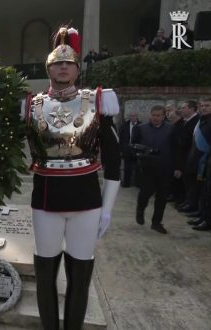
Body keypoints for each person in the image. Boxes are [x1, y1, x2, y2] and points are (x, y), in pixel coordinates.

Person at [24, 26, 121, 330]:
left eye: (69, 63)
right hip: (45, 200)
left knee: (80, 278)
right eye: (57, 62)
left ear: (77, 68)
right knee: (44, 277)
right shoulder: (31, 105)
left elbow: (115, 161)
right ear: (48, 68)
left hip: (86, 202)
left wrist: (106, 208)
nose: (63, 66)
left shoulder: (97, 101)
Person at [132, 105, 178, 234]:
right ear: (150, 115)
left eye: (159, 116)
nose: (156, 118)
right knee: (144, 194)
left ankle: (156, 223)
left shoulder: (171, 129)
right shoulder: (141, 128)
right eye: (154, 115)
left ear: (164, 116)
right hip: (147, 168)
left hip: (165, 168)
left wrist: (177, 167)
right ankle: (140, 210)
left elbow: (176, 148)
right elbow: (133, 145)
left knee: (162, 198)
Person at [187, 98, 211, 230]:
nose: (203, 108)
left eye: (207, 105)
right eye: (201, 106)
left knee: (208, 193)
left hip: (207, 161)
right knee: (203, 192)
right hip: (201, 161)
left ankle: (207, 220)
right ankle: (203, 216)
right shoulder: (202, 121)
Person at [176, 101, 201, 213]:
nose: (181, 110)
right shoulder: (185, 121)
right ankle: (188, 201)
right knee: (187, 182)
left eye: (183, 108)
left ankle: (192, 205)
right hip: (184, 157)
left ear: (191, 109)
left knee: (192, 183)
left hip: (192, 156)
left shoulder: (197, 121)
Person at [119, 111, 141, 187]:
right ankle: (126, 183)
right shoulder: (124, 125)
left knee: (138, 167)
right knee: (127, 168)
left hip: (137, 150)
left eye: (134, 116)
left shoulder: (141, 126)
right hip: (127, 150)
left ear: (137, 117)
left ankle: (138, 184)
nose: (133, 117)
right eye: (131, 116)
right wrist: (121, 150)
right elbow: (121, 138)